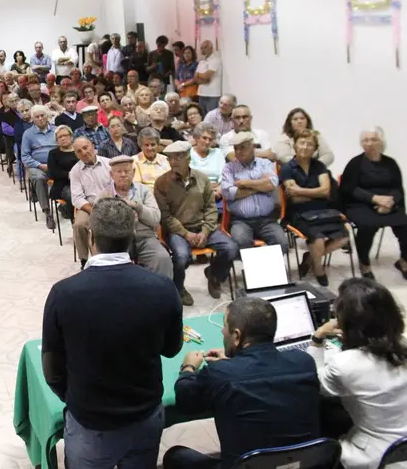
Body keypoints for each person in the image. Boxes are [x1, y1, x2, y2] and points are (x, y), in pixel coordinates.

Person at [43, 197, 182, 469]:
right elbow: (172, 348)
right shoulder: (163, 287)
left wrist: (75, 399)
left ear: (91, 236)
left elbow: (52, 370)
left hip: (89, 421)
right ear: (132, 237)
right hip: (144, 413)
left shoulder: (63, 294)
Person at [164, 297, 321, 469]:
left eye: (225, 327)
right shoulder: (304, 362)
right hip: (304, 464)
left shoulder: (221, 374)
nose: (223, 331)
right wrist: (235, 362)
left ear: (237, 336)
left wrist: (188, 367)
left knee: (175, 457)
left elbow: (186, 401)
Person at [308, 279, 407, 468]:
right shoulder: (402, 345)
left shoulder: (345, 364)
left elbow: (317, 384)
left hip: (376, 457)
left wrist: (317, 338)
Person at [156, 141, 239, 302]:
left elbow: (211, 208)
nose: (172, 162)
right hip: (179, 230)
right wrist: (186, 234)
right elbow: (165, 216)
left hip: (202, 226)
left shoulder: (202, 179)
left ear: (188, 158)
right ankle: (178, 287)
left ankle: (214, 275)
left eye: (177, 158)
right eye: (169, 158)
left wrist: (206, 231)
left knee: (231, 248)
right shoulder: (162, 183)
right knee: (180, 257)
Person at [280, 130, 349, 286]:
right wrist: (316, 194)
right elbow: (294, 197)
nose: (305, 147)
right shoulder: (287, 168)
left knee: (343, 237)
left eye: (310, 144)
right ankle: (319, 269)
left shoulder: (319, 166)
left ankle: (310, 258)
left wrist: (302, 191)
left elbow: (326, 191)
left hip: (324, 211)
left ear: (315, 148)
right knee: (317, 239)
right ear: (295, 145)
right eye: (302, 143)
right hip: (299, 213)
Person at [340, 127, 407, 279]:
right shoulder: (355, 163)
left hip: (388, 205)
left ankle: (404, 260)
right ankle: (364, 264)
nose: (369, 143)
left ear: (381, 142)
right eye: (366, 140)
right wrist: (375, 199)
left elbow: (397, 188)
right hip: (360, 204)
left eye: (373, 139)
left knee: (405, 225)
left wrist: (390, 202)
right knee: (366, 226)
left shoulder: (390, 163)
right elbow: (349, 189)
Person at [104, 155, 173, 278]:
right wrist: (123, 220)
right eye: (119, 171)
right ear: (111, 175)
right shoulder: (104, 195)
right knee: (113, 269)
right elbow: (99, 224)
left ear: (134, 172)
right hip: (116, 242)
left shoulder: (144, 190)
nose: (123, 175)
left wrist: (138, 207)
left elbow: (155, 218)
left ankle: (161, 294)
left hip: (145, 238)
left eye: (127, 171)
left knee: (162, 258)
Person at [221, 131, 288, 254]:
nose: (239, 151)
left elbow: (272, 184)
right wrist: (260, 185)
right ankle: (254, 272)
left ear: (253, 147)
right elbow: (229, 193)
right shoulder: (229, 168)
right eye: (236, 148)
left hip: (267, 219)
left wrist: (245, 183)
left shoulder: (265, 163)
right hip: (241, 221)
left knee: (282, 243)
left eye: (243, 147)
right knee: (240, 242)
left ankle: (266, 271)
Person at [69, 137, 113, 268]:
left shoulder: (109, 164)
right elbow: (76, 198)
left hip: (109, 203)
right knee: (79, 224)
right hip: (89, 205)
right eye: (79, 151)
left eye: (85, 147)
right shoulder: (75, 171)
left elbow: (115, 188)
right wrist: (92, 210)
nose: (84, 152)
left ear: (92, 146)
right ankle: (84, 260)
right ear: (76, 155)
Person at [21, 105, 58, 229]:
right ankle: (47, 212)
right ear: (33, 119)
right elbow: (25, 157)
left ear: (47, 116)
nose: (41, 118)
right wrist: (40, 165)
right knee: (39, 178)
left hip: (56, 164)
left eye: (43, 115)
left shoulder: (56, 130)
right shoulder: (28, 134)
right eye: (37, 117)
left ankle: (67, 205)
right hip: (38, 166)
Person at [47, 126, 78, 211]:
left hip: (82, 182)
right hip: (63, 185)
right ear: (56, 140)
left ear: (71, 136)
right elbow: (52, 172)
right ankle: (74, 220)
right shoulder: (53, 153)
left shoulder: (78, 150)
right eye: (60, 137)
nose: (63, 138)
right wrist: (69, 175)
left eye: (65, 135)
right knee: (73, 196)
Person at [0, 93, 22, 176]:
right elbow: (7, 130)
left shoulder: (25, 109)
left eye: (16, 100)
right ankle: (21, 176)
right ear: (9, 103)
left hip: (29, 138)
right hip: (14, 140)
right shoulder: (5, 115)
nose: (14, 103)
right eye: (12, 101)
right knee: (19, 152)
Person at [195, 40, 222, 113]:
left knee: (211, 116)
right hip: (201, 92)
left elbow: (207, 75)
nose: (203, 50)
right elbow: (195, 78)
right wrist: (202, 77)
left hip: (212, 94)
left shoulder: (215, 60)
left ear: (211, 48)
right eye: (201, 48)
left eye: (205, 47)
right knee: (202, 115)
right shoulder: (201, 61)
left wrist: (200, 75)